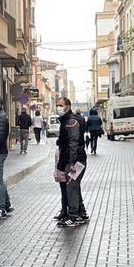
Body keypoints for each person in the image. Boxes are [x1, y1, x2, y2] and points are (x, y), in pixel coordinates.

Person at [55, 97, 88, 228]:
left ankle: (73, 217)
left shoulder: (71, 121)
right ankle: (82, 213)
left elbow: (73, 143)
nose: (58, 107)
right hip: (73, 159)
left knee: (71, 187)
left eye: (60, 105)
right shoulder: (66, 120)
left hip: (75, 160)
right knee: (74, 186)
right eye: (57, 105)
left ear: (67, 107)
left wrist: (72, 163)